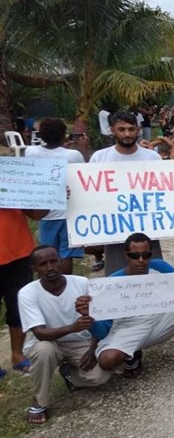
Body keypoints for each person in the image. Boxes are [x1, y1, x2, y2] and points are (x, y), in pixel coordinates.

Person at [76, 233, 174, 378]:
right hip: (129, 329)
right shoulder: (112, 284)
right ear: (126, 255)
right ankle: (131, 357)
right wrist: (88, 317)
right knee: (107, 360)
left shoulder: (159, 267)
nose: (141, 260)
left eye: (146, 255)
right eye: (135, 256)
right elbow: (103, 330)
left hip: (161, 321)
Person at [18, 245, 111, 424]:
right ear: (34, 269)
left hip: (80, 342)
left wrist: (92, 349)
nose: (50, 267)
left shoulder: (82, 283)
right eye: (43, 264)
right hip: (48, 342)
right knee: (44, 351)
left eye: (54, 261)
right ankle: (39, 402)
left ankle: (70, 374)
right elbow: (40, 333)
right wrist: (72, 328)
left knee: (99, 377)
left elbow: (98, 318)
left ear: (61, 262)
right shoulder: (27, 293)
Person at [89, 111, 163, 276]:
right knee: (116, 280)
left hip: (149, 232)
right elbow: (89, 194)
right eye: (121, 129)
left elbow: (168, 194)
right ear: (112, 130)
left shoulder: (153, 158)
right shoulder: (99, 158)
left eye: (131, 129)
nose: (127, 134)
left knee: (153, 278)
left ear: (138, 130)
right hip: (114, 232)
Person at [25, 118, 88, 274]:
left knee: (48, 252)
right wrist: (83, 148)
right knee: (66, 254)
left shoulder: (30, 152)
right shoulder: (73, 155)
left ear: (40, 135)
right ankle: (66, 282)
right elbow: (85, 173)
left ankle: (50, 278)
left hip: (44, 213)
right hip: (69, 212)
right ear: (64, 136)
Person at [1, 207, 48, 376]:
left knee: (19, 305)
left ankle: (17, 354)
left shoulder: (14, 187)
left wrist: (52, 197)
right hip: (17, 252)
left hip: (18, 252)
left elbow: (37, 214)